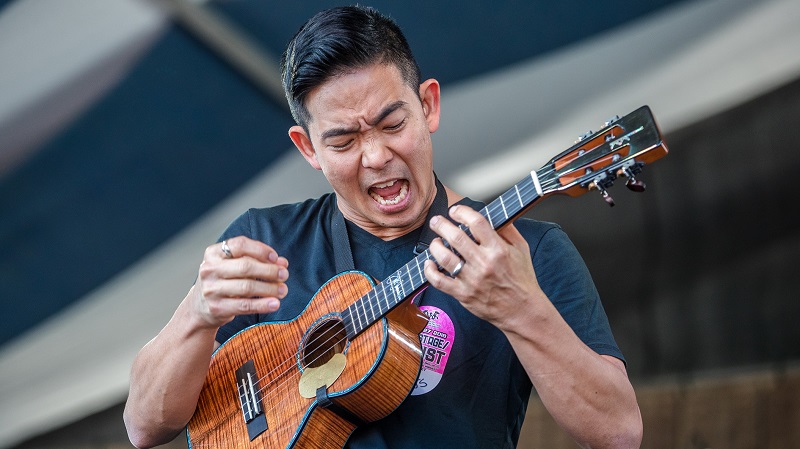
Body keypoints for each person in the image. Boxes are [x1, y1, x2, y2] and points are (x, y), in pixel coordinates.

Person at [123, 5, 642, 449]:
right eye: (344, 141)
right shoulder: (263, 243)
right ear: (308, 149)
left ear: (429, 106)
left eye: (393, 124)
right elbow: (143, 426)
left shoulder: (526, 253)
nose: (376, 156)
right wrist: (196, 315)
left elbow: (619, 433)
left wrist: (520, 308)